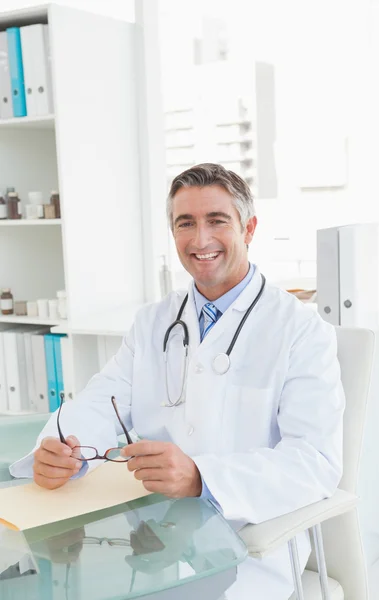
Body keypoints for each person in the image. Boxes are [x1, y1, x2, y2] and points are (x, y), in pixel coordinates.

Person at [10, 163, 345, 599]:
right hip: (149, 535)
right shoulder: (154, 322)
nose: (200, 239)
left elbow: (314, 461)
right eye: (185, 223)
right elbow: (99, 400)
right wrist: (58, 451)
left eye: (217, 221)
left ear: (249, 228)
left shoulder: (300, 330)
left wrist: (201, 476)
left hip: (248, 544)